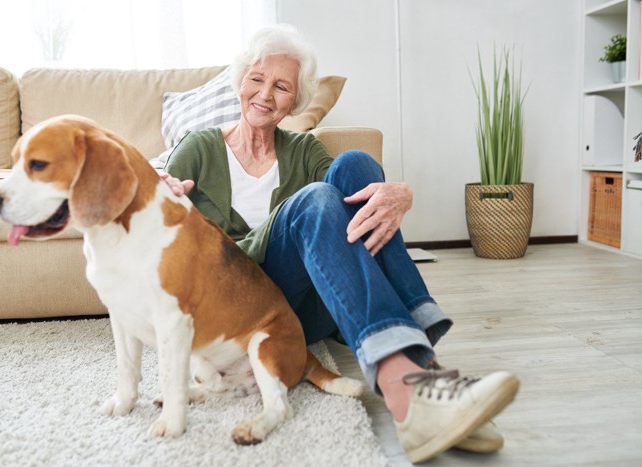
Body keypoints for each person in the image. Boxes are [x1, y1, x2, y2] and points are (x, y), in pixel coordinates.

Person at [161, 24, 519, 464]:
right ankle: (409, 387)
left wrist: (398, 195)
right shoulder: (198, 148)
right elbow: (154, 213)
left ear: (295, 100)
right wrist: (158, 188)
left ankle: (423, 371)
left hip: (297, 312)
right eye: (257, 79)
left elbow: (348, 201)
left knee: (357, 166)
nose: (265, 94)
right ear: (240, 82)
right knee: (314, 200)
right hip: (238, 307)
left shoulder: (303, 150)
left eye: (281, 86)